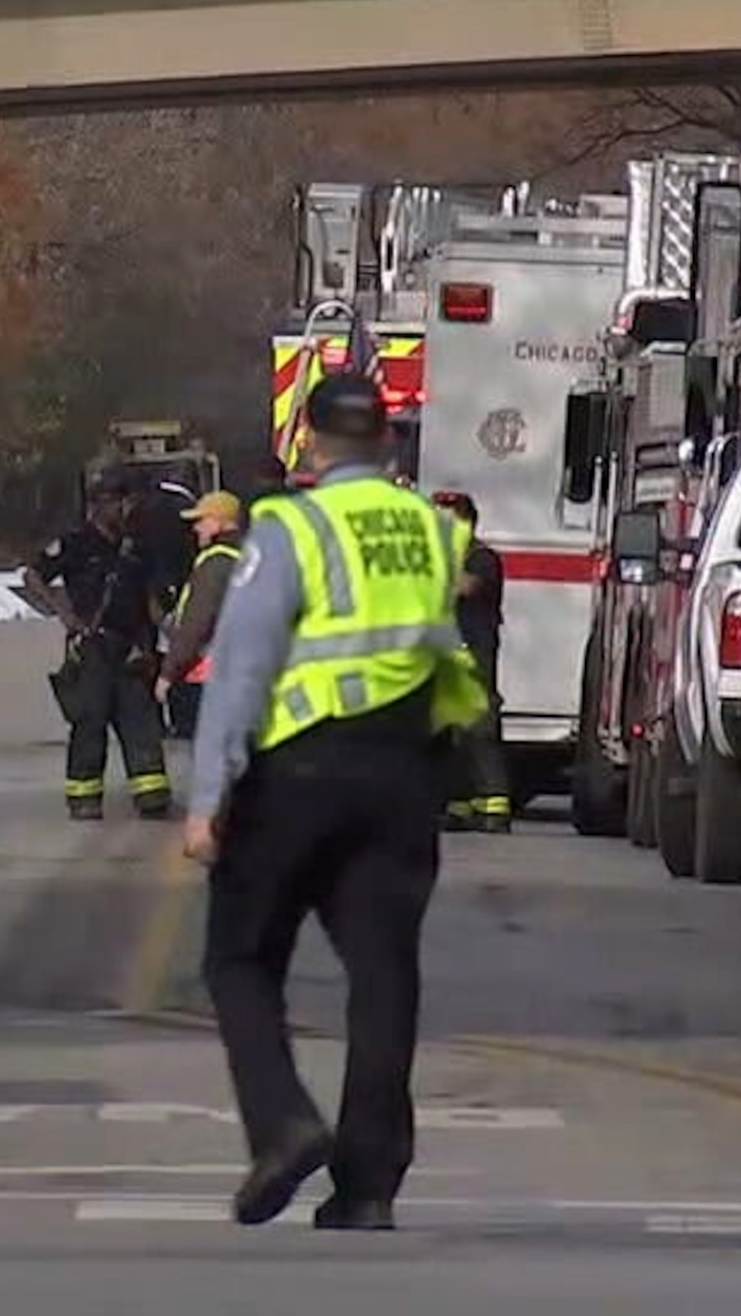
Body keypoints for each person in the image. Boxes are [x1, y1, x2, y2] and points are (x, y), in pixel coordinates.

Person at [182, 374, 486, 1231]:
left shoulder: (291, 527)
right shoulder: (433, 529)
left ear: (311, 445)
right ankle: (369, 1184)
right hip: (402, 775)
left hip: (300, 768)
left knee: (239, 959)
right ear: (389, 443)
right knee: (384, 975)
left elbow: (242, 669)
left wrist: (209, 800)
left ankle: (282, 1126)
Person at [24, 470, 175, 820]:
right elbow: (32, 575)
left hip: (134, 647)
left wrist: (162, 638)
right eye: (117, 502)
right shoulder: (75, 543)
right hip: (92, 647)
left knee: (140, 720)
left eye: (127, 501)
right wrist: (65, 613)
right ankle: (84, 797)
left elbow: (154, 597)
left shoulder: (139, 546)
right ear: (97, 506)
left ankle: (151, 794)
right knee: (89, 722)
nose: (124, 509)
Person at [428, 491, 510, 834]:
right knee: (450, 733)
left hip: (475, 652)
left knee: (479, 728)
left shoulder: (481, 558)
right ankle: (459, 805)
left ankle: (496, 805)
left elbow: (468, 588)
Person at [155, 491, 247, 740]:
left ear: (219, 521)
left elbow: (196, 624)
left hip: (209, 678)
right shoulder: (249, 556)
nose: (196, 528)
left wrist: (168, 673)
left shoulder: (215, 563)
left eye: (201, 521)